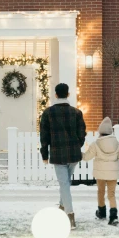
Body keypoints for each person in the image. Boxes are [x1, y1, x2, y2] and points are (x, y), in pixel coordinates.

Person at [39, 83, 86, 229]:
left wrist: (44, 154)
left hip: (58, 153)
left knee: (64, 184)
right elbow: (82, 134)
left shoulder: (48, 113)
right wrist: (78, 145)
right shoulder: (77, 113)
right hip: (73, 153)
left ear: (56, 95)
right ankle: (61, 206)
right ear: (68, 94)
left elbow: (44, 136)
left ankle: (70, 215)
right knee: (66, 183)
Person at [82, 116, 119, 225]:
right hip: (113, 173)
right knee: (111, 194)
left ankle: (101, 212)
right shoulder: (117, 144)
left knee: (100, 192)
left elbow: (86, 157)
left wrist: (78, 153)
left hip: (100, 173)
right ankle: (113, 216)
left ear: (101, 131)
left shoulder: (96, 144)